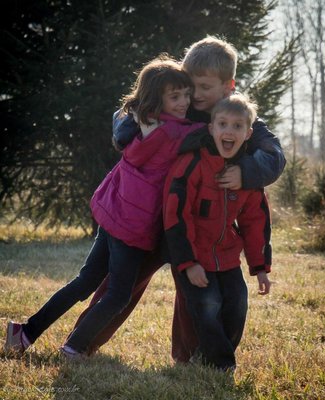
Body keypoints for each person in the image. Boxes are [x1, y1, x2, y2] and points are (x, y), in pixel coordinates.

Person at [68, 35, 285, 361]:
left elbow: (274, 154)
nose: (194, 96)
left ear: (229, 86)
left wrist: (246, 173)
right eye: (190, 85)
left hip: (194, 227)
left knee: (194, 293)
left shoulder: (232, 115)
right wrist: (124, 129)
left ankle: (188, 356)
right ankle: (83, 341)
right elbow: (127, 111)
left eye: (204, 88)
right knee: (123, 283)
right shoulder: (176, 102)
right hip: (151, 216)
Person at [4, 55, 203, 357]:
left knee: (85, 282)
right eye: (175, 96)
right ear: (156, 100)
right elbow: (206, 133)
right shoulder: (174, 132)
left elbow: (123, 119)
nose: (185, 102)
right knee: (118, 295)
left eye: (187, 95)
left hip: (112, 214)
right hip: (132, 225)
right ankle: (74, 347)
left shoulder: (142, 124)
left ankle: (25, 331)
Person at [163, 93, 271, 372]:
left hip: (227, 258)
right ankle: (221, 364)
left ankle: (211, 355)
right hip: (194, 256)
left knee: (237, 304)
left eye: (237, 126)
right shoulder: (194, 163)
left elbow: (255, 221)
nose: (228, 131)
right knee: (208, 304)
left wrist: (260, 267)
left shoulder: (246, 174)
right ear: (211, 128)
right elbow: (176, 214)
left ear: (247, 133)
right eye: (222, 123)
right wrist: (188, 263)